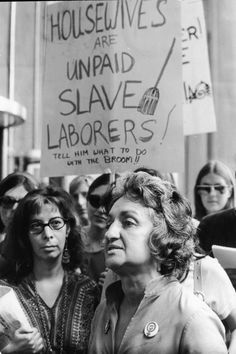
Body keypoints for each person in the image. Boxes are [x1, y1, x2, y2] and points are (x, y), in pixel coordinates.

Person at [88, 171, 227, 354]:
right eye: (109, 223)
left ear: (163, 237)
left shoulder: (192, 318)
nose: (110, 233)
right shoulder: (103, 310)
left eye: (128, 222)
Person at [0, 185, 99, 353]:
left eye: (55, 223)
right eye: (36, 225)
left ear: (67, 229)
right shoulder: (6, 292)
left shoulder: (88, 289)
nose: (47, 234)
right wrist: (10, 351)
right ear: (25, 234)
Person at [80, 173, 113, 287]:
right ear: (87, 201)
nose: (101, 210)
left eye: (108, 203)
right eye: (95, 200)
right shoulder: (70, 238)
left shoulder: (121, 245)